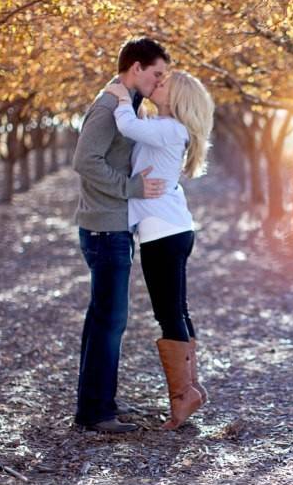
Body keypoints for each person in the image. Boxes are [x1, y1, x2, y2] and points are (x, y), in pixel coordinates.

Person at [71, 37, 170, 434]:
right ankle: (97, 413)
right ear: (135, 68)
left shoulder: (126, 105)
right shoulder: (110, 105)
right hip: (104, 228)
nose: (159, 80)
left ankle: (95, 404)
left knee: (103, 320)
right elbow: (84, 160)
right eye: (156, 73)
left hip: (113, 225)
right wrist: (130, 187)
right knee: (111, 321)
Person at [104, 70, 213, 430]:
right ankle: (191, 388)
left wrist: (120, 97)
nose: (156, 85)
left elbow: (128, 127)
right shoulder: (167, 125)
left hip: (163, 234)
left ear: (176, 96)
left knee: (168, 314)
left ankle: (182, 398)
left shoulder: (169, 128)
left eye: (162, 84)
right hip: (171, 229)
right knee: (176, 311)